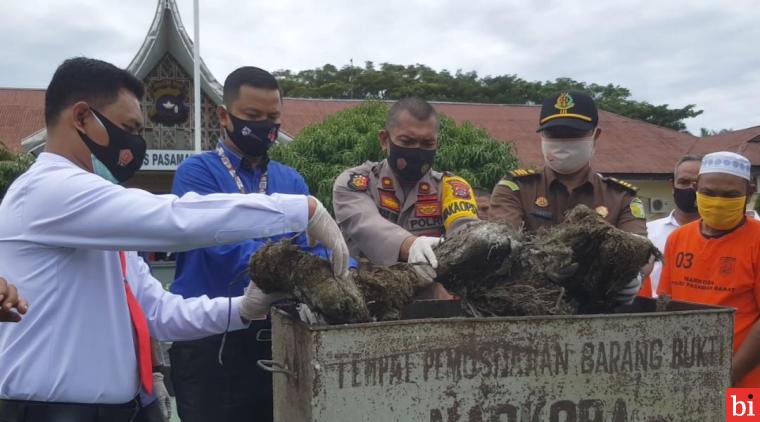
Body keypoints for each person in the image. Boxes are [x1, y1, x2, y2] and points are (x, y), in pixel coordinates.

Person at [0, 57, 348, 422]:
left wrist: (242, 309)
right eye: (128, 128)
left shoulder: (97, 218)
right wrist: (299, 209)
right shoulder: (47, 191)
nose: (135, 143)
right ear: (82, 117)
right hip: (48, 413)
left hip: (126, 410)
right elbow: (176, 219)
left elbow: (156, 312)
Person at [168, 67, 348, 422]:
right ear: (224, 116)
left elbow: (316, 248)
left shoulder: (290, 179)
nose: (264, 126)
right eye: (252, 117)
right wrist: (301, 270)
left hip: (278, 335)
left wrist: (346, 270)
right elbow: (222, 248)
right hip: (210, 337)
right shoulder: (196, 173)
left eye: (273, 117)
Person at [489, 91, 646, 303]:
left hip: (598, 310)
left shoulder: (621, 197)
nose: (563, 142)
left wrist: (634, 274)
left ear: (595, 135)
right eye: (554, 133)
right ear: (542, 136)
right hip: (527, 306)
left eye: (573, 133)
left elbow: (640, 247)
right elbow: (503, 246)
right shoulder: (515, 188)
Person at [333, 97, 479, 286]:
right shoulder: (356, 182)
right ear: (385, 140)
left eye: (427, 144)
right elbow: (365, 223)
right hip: (364, 298)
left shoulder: (450, 187)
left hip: (432, 304)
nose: (416, 151)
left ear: (437, 143)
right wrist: (412, 245)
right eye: (407, 141)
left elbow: (466, 233)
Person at [657, 151, 760, 387]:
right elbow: (665, 304)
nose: (717, 201)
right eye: (709, 193)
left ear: (749, 192)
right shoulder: (678, 238)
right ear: (695, 188)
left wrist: (728, 376)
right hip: (684, 377)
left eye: (730, 195)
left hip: (746, 382)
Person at [638, 155, 702, 298]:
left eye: (697, 183)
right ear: (672, 186)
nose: (691, 188)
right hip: (652, 314)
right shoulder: (646, 232)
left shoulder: (721, 235)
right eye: (684, 182)